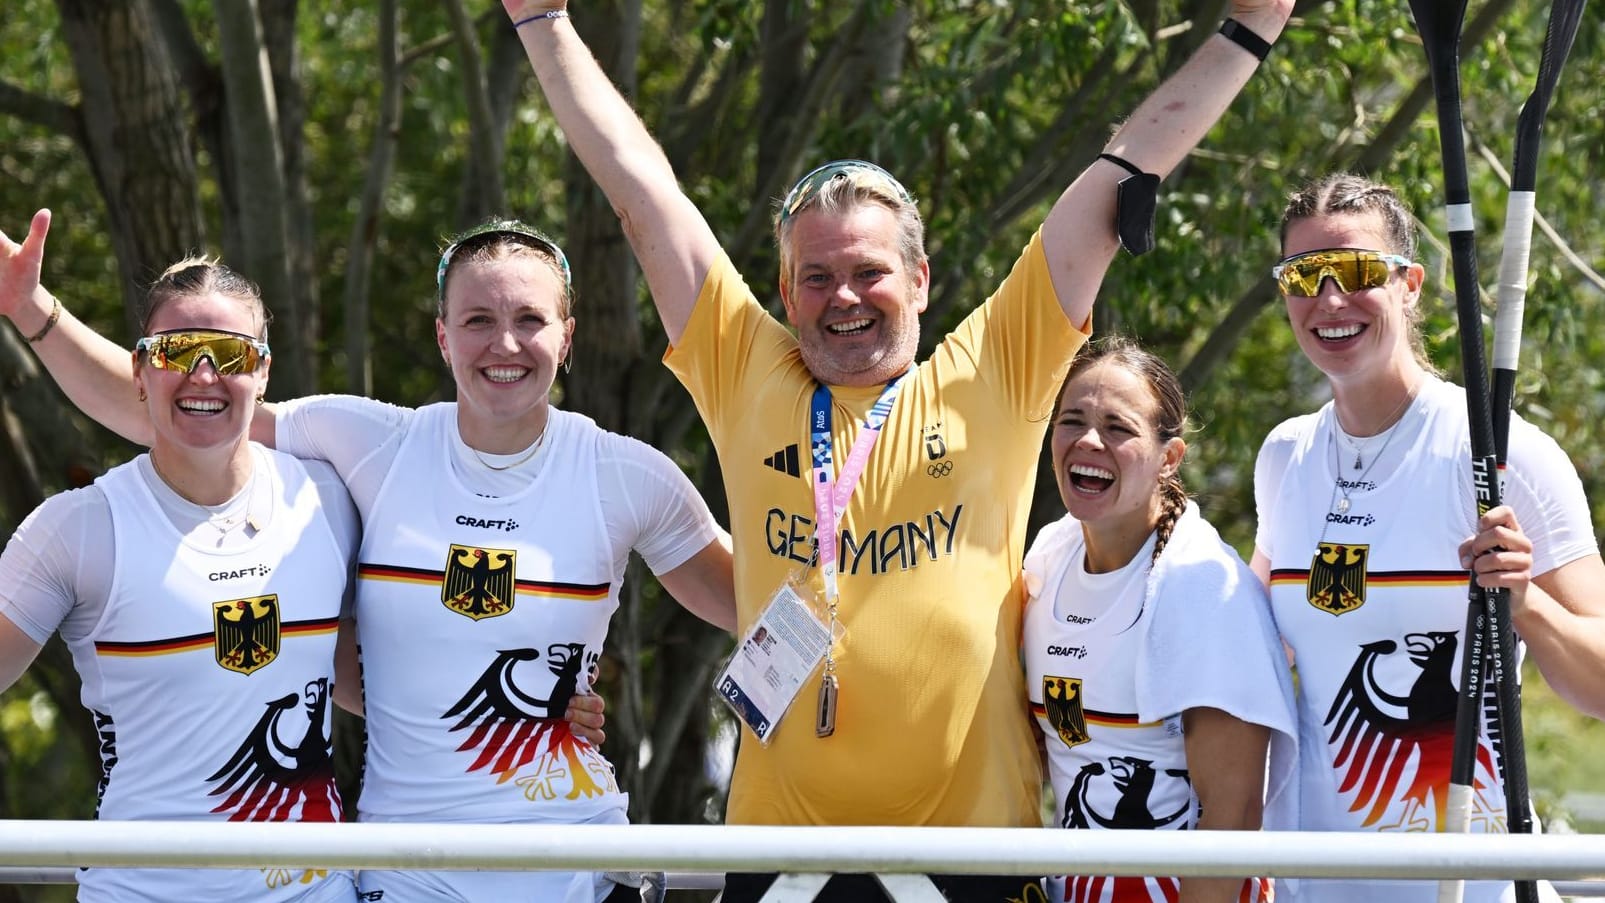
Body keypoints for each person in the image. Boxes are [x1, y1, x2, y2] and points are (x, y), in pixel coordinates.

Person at [503, 0, 1291, 899]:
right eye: (817, 276)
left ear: (919, 280)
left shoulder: (993, 367)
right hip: (779, 858)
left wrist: (1245, 33)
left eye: (869, 270)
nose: (845, 296)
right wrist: (543, 22)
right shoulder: (745, 370)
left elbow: (1115, 181)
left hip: (969, 857)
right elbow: (639, 190)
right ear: (785, 293)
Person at [0, 212, 736, 903]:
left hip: (574, 864)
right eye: (477, 319)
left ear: (567, 335)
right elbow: (184, 411)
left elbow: (760, 609)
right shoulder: (366, 447)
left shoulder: (628, 474)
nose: (503, 344)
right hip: (406, 872)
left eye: (529, 320)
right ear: (442, 336)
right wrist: (35, 314)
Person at [1251, 172, 1605, 903]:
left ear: (1409, 283)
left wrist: (1525, 603)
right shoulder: (1283, 456)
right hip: (1310, 886)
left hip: (1464, 889)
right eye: (1301, 276)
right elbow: (1251, 661)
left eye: (1353, 271)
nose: (1327, 300)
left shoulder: (1501, 452)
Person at [0, 259, 360, 902]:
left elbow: (390, 678)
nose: (204, 373)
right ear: (140, 370)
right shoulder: (78, 529)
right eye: (176, 350)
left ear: (264, 370)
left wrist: (560, 709)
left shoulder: (330, 500)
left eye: (229, 351)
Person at [1024, 336, 1295, 903]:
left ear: (1168, 459)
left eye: (1118, 428)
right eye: (1071, 420)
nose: (1089, 441)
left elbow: (1233, 813)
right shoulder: (1049, 555)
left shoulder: (1200, 584)